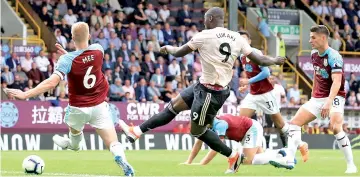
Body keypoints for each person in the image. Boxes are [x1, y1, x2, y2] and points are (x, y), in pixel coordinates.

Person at [119, 7, 285, 174]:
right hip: (204, 85)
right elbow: (259, 59)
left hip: (211, 92)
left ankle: (233, 155)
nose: (204, 22)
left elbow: (178, 52)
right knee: (173, 106)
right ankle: (136, 132)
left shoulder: (204, 35)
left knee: (197, 131)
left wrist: (167, 48)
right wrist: (274, 60)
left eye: (205, 18)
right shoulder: (236, 37)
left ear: (211, 18)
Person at [5, 22, 135, 176]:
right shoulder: (98, 50)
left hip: (78, 108)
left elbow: (53, 82)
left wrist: (25, 94)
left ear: (72, 38)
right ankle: (120, 158)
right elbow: (84, 61)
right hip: (99, 106)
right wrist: (68, 54)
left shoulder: (67, 60)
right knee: (113, 142)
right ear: (89, 36)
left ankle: (72, 144)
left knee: (75, 142)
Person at [270, 25, 357, 174]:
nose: (310, 40)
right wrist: (312, 95)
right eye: (310, 37)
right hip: (318, 97)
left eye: (313, 37)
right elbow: (317, 76)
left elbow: (336, 82)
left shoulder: (334, 56)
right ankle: (290, 159)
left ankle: (351, 165)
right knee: (294, 123)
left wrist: (328, 102)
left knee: (336, 127)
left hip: (334, 96)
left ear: (323, 38)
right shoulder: (314, 54)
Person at [237, 31, 308, 161]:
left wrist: (248, 81)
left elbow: (266, 72)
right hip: (253, 95)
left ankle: (301, 144)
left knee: (280, 124)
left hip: (265, 94)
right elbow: (252, 74)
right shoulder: (241, 56)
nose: (242, 42)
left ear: (249, 41)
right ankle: (249, 151)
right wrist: (246, 85)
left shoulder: (256, 53)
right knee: (240, 121)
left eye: (244, 39)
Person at [181, 114, 297, 173]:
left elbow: (217, 147)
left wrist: (202, 163)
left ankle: (282, 155)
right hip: (243, 134)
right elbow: (198, 142)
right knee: (257, 157)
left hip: (251, 129)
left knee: (246, 161)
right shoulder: (206, 126)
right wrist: (188, 162)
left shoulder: (219, 124)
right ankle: (280, 155)